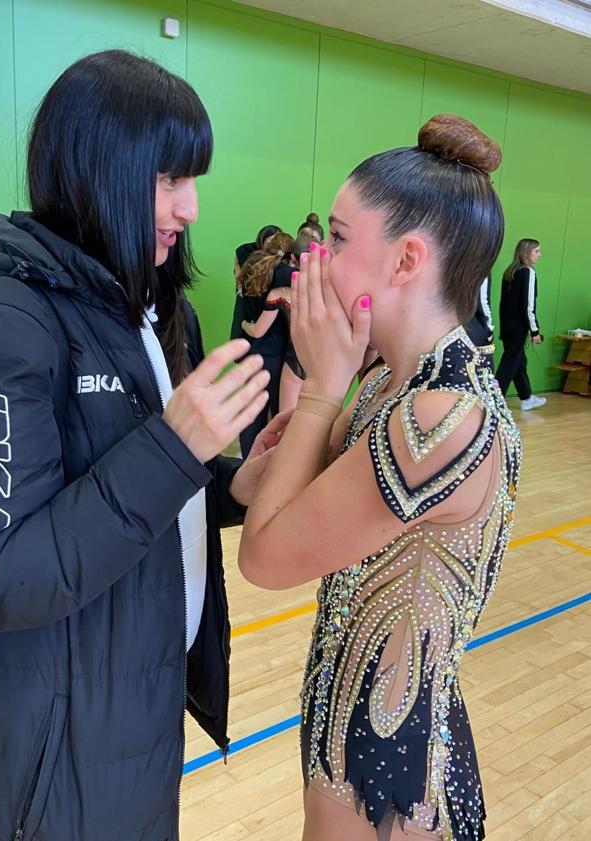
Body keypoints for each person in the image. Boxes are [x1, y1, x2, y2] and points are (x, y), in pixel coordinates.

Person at [0, 50, 283, 841]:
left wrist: (229, 484)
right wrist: (178, 449)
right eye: (170, 180)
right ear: (98, 168)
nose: (192, 208)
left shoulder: (139, 313)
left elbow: (121, 495)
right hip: (42, 758)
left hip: (127, 709)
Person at [238, 114, 522, 841]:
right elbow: (251, 490)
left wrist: (316, 396)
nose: (314, 260)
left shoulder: (440, 416)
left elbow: (263, 557)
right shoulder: (387, 383)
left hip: (386, 761)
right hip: (343, 715)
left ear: (404, 261)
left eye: (335, 238)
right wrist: (321, 397)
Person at [241, 231, 314, 412]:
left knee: (283, 423)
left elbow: (258, 330)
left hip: (293, 358)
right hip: (321, 361)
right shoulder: (326, 291)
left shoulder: (281, 293)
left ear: (292, 259)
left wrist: (243, 324)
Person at [237, 232, 295, 455]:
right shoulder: (283, 274)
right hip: (277, 354)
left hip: (254, 351)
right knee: (279, 414)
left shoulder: (251, 264)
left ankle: (246, 460)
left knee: (251, 412)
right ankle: (269, 464)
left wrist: (244, 325)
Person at [496, 239, 546, 410]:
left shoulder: (509, 272)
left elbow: (504, 304)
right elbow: (529, 305)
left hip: (507, 325)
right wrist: (535, 331)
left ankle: (526, 397)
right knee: (509, 362)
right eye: (536, 251)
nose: (539, 255)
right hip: (519, 327)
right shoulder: (528, 273)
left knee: (519, 361)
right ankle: (494, 399)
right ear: (526, 253)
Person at [230, 224, 281, 345]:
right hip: (248, 304)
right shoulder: (248, 253)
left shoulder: (281, 262)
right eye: (269, 242)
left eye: (276, 242)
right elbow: (238, 270)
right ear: (261, 242)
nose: (272, 246)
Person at [465, 276, 495, 369]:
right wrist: (489, 328)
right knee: (482, 369)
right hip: (475, 327)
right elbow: (482, 302)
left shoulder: (456, 265)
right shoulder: (482, 270)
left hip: (452, 325)